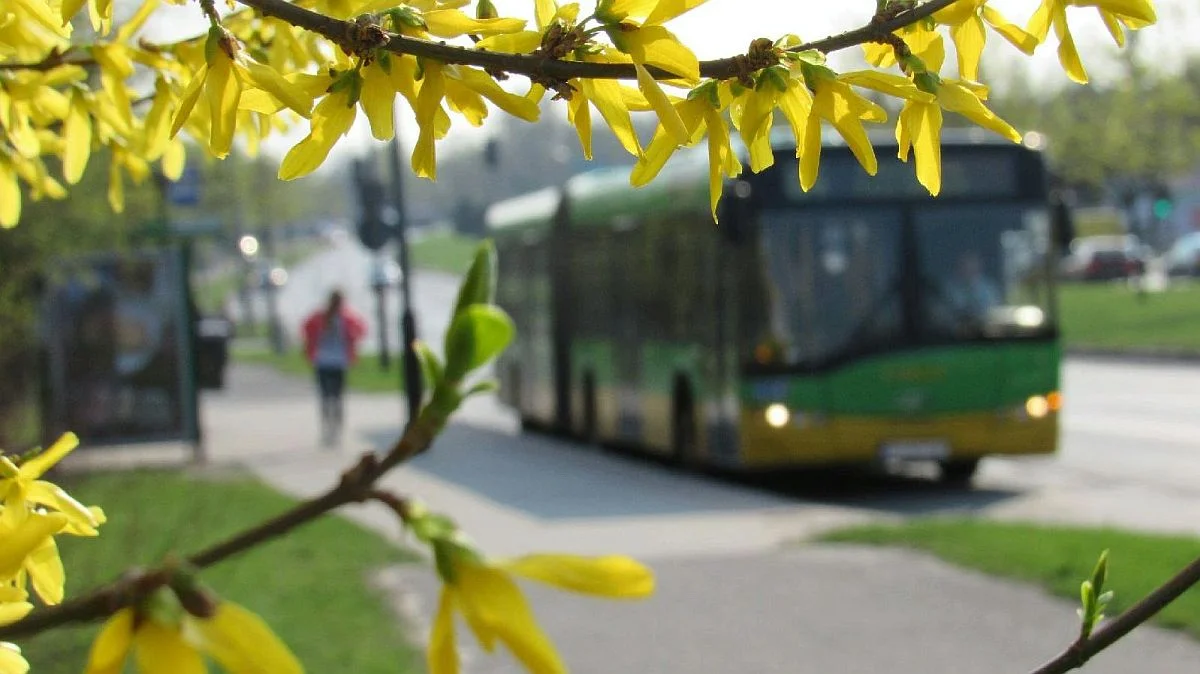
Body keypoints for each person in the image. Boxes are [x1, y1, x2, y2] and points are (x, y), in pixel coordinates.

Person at [302, 290, 366, 447]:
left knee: (331, 398)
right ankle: (331, 430)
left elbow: (360, 330)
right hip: (329, 361)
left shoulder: (345, 318)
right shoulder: (324, 317)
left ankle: (332, 430)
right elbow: (307, 329)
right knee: (333, 398)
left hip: (331, 361)